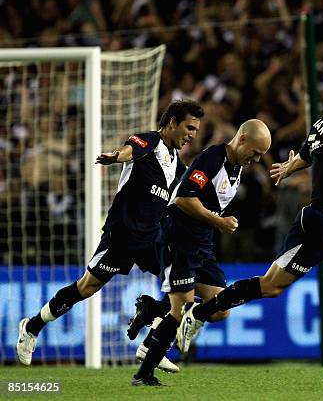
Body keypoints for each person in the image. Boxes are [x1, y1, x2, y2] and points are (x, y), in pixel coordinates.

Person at [175, 77, 323, 383]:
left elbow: (311, 150)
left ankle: (200, 314)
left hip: (315, 221)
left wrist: (289, 168)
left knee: (270, 286)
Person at [16, 99, 204, 372]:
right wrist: (116, 156)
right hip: (122, 235)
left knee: (183, 287)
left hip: (152, 239)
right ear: (172, 123)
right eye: (189, 128)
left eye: (196, 131)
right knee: (86, 288)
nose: (192, 136)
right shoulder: (148, 141)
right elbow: (130, 151)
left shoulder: (177, 165)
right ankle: (32, 327)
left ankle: (152, 344)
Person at [131, 119, 272, 386]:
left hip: (202, 244)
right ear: (241, 139)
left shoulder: (236, 166)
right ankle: (144, 373)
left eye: (261, 155)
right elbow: (184, 198)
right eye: (255, 152)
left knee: (220, 308)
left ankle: (153, 309)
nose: (256, 159)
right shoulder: (213, 157)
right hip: (180, 239)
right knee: (180, 309)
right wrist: (218, 221)